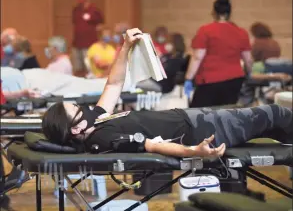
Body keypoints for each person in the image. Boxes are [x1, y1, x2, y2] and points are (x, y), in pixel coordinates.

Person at [42, 28, 292, 158]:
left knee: (271, 127)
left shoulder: (97, 121)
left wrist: (126, 47)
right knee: (276, 113)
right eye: (75, 110)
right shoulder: (102, 139)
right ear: (74, 129)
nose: (80, 107)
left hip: (192, 118)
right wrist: (194, 152)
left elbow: (113, 84)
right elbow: (153, 146)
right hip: (200, 131)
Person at [184, 0, 253, 108]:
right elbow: (248, 60)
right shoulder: (241, 32)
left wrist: (188, 78)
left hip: (209, 80)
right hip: (234, 80)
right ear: (229, 13)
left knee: (198, 116)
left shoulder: (205, 30)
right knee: (226, 115)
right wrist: (249, 74)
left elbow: (197, 57)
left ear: (214, 12)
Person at [72, 0, 104, 76]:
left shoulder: (95, 10)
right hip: (77, 43)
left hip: (89, 44)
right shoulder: (76, 10)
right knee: (77, 68)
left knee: (88, 68)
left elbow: (100, 25)